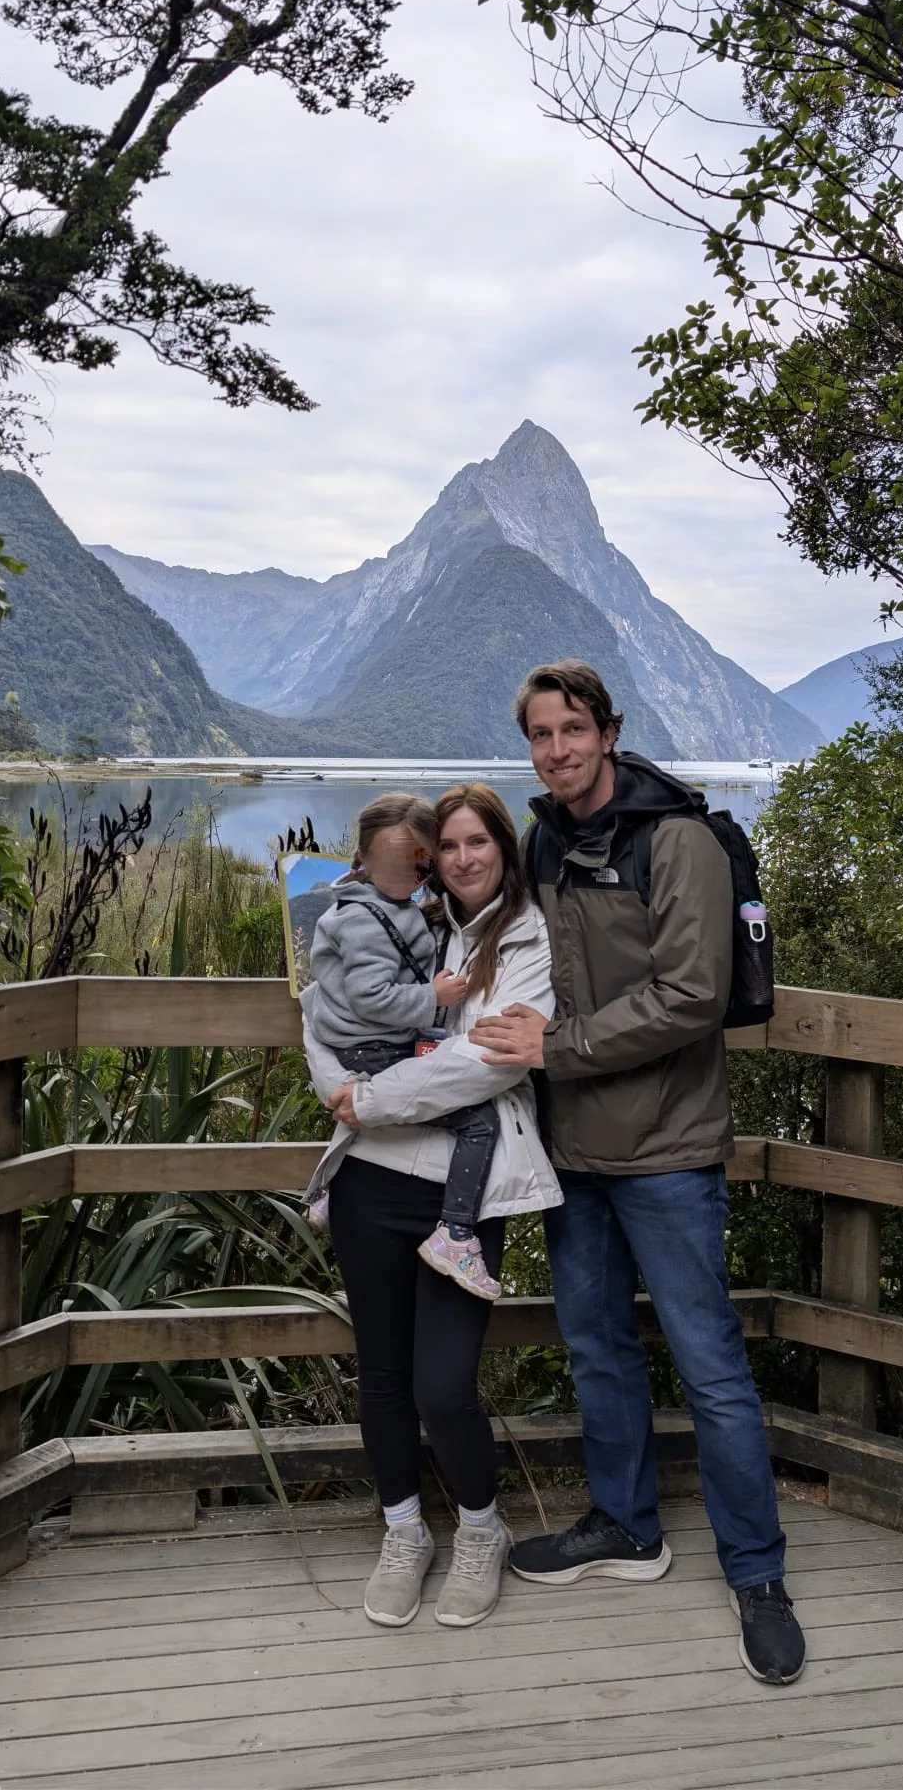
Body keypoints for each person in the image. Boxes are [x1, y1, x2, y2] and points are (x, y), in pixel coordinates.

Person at [470, 661, 806, 1686]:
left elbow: (692, 995)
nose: (556, 750)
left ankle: (756, 1573)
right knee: (597, 1350)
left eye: (572, 730)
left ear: (608, 732)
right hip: (572, 1152)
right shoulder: (544, 839)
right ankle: (624, 1528)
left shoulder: (681, 842)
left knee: (709, 1368)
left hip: (666, 1150)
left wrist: (555, 1046)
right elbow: (511, 952)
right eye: (538, 734)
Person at [301, 783, 562, 1631]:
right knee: (381, 1374)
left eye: (476, 843)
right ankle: (405, 1530)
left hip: (463, 1191)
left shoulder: (523, 935)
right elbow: (318, 1007)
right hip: (372, 1181)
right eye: (445, 847)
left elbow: (490, 1064)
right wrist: (340, 1084)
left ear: (502, 848)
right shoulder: (395, 917)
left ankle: (482, 1529)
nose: (461, 859)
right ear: (424, 857)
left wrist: (370, 1098)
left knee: (444, 1386)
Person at [302, 792, 502, 1301]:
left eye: (421, 862)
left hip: (361, 1047)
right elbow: (371, 996)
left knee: (393, 1078)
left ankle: (329, 1193)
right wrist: (431, 995)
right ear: (367, 858)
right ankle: (457, 1234)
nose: (417, 873)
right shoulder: (368, 918)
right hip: (372, 1045)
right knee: (479, 1124)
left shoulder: (377, 903)